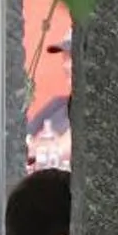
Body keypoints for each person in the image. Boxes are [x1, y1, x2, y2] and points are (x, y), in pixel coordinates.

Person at [27, 34, 72, 170]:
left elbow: (64, 149)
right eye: (65, 57)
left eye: (73, 57)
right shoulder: (56, 104)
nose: (66, 65)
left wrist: (37, 146)